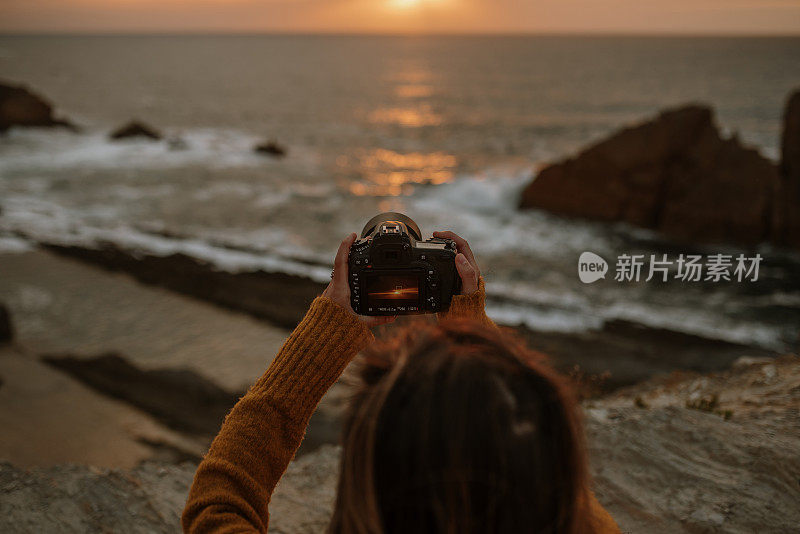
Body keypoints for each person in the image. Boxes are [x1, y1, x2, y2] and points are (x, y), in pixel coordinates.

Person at [182, 231, 620, 533]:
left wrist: (329, 331)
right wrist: (473, 333)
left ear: (365, 488)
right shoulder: (573, 513)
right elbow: (567, 497)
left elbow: (219, 500)